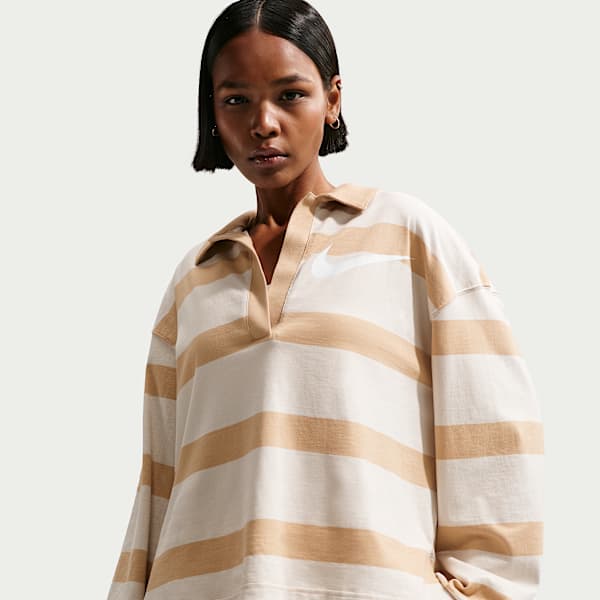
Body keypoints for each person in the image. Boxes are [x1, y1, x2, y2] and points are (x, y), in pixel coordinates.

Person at [107, 1, 544, 599]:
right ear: (211, 111)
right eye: (236, 100)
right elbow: (159, 485)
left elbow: (493, 439)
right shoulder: (194, 278)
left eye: (290, 95)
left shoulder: (409, 238)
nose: (263, 122)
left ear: (333, 99)